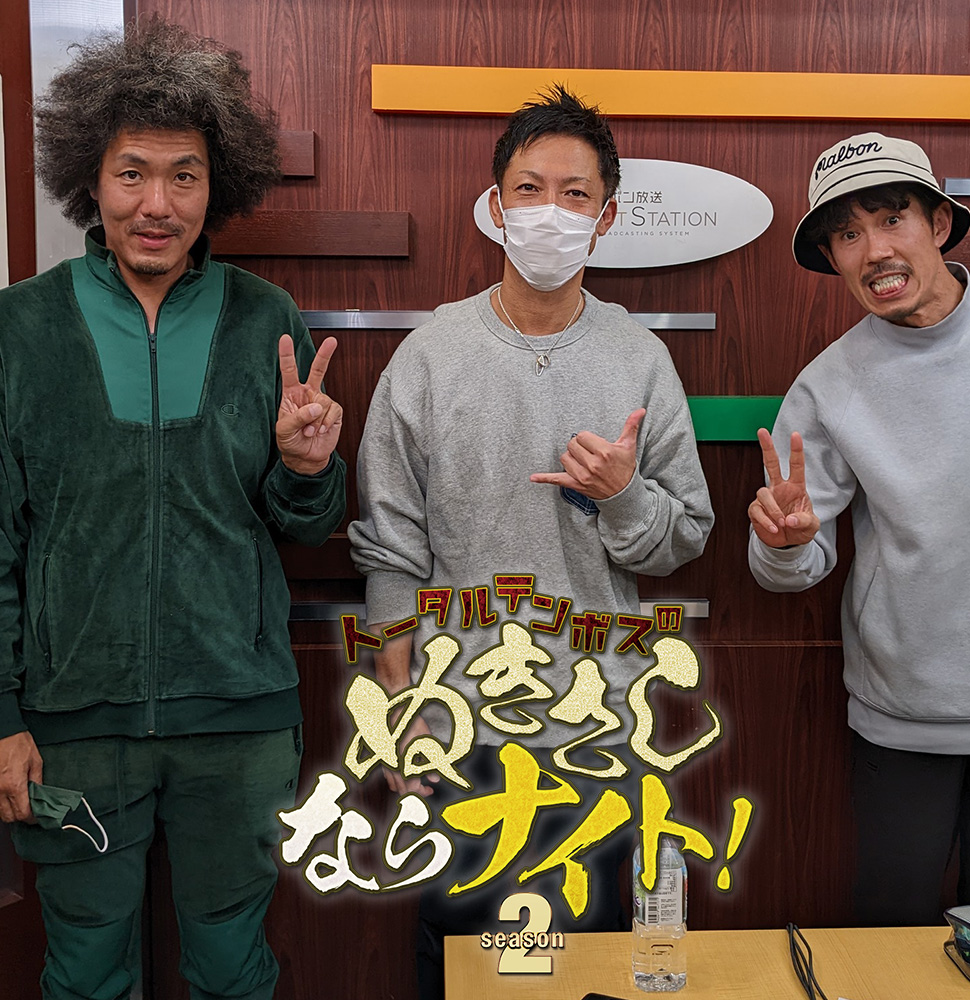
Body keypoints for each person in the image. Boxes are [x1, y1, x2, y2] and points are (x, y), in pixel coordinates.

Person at [0, 19, 346, 999]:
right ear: (91, 180)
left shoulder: (265, 319)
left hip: (239, 724)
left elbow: (305, 524)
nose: (157, 203)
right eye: (133, 173)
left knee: (234, 969)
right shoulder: (21, 327)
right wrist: (3, 715)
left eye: (183, 176)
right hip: (71, 726)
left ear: (214, 185)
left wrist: (308, 468)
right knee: (83, 974)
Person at [349, 85, 713, 999]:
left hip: (599, 724)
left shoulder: (639, 357)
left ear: (606, 216)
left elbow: (682, 538)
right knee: (465, 959)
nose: (551, 211)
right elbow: (390, 551)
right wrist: (402, 715)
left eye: (576, 194)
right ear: (497, 206)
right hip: (460, 724)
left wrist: (622, 498)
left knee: (586, 965)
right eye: (530, 189)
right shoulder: (430, 356)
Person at [747, 132, 970, 925]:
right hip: (902, 719)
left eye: (892, 219)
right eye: (848, 235)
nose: (875, 251)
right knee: (889, 943)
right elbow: (793, 561)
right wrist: (785, 543)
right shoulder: (826, 386)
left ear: (939, 224)